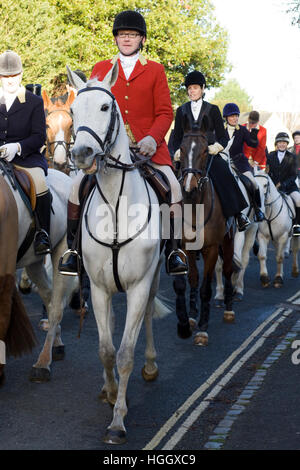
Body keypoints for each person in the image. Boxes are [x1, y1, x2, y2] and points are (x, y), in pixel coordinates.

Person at [58, 10, 188, 276]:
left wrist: (152, 138)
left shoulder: (155, 69)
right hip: (107, 150)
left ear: (141, 39)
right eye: (122, 35)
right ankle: (73, 251)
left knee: (174, 188)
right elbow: (89, 108)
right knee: (75, 188)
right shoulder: (101, 69)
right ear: (116, 38)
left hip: (148, 149)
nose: (127, 39)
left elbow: (165, 112)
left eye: (132, 35)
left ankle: (174, 251)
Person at [170, 70, 250, 232]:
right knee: (170, 180)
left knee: (225, 174)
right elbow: (175, 137)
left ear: (203, 89)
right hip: (186, 156)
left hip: (208, 154)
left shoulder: (212, 109)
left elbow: (223, 137)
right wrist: (176, 151)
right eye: (189, 88)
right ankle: (166, 221)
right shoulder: (181, 110)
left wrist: (216, 147)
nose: (192, 91)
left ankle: (238, 214)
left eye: (195, 88)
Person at [0, 50, 51, 254]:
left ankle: (42, 233)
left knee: (39, 182)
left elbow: (39, 136)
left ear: (21, 75)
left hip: (26, 158)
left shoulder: (33, 101)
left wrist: (17, 147)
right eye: (6, 76)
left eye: (14, 75)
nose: (10, 80)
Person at [223, 103, 265, 222]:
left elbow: (253, 144)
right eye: (232, 116)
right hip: (224, 163)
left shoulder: (242, 130)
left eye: (236, 116)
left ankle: (257, 210)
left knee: (254, 183)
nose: (235, 118)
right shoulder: (221, 131)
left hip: (240, 163)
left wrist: (254, 133)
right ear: (226, 117)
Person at [267, 132, 300, 236]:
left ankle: (296, 226)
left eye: (284, 142)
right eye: (280, 142)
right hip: (273, 187)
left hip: (289, 187)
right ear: (277, 144)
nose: (282, 144)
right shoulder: (270, 155)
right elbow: (267, 171)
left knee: (299, 201)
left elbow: (293, 175)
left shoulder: (292, 157)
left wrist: (282, 184)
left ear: (287, 144)